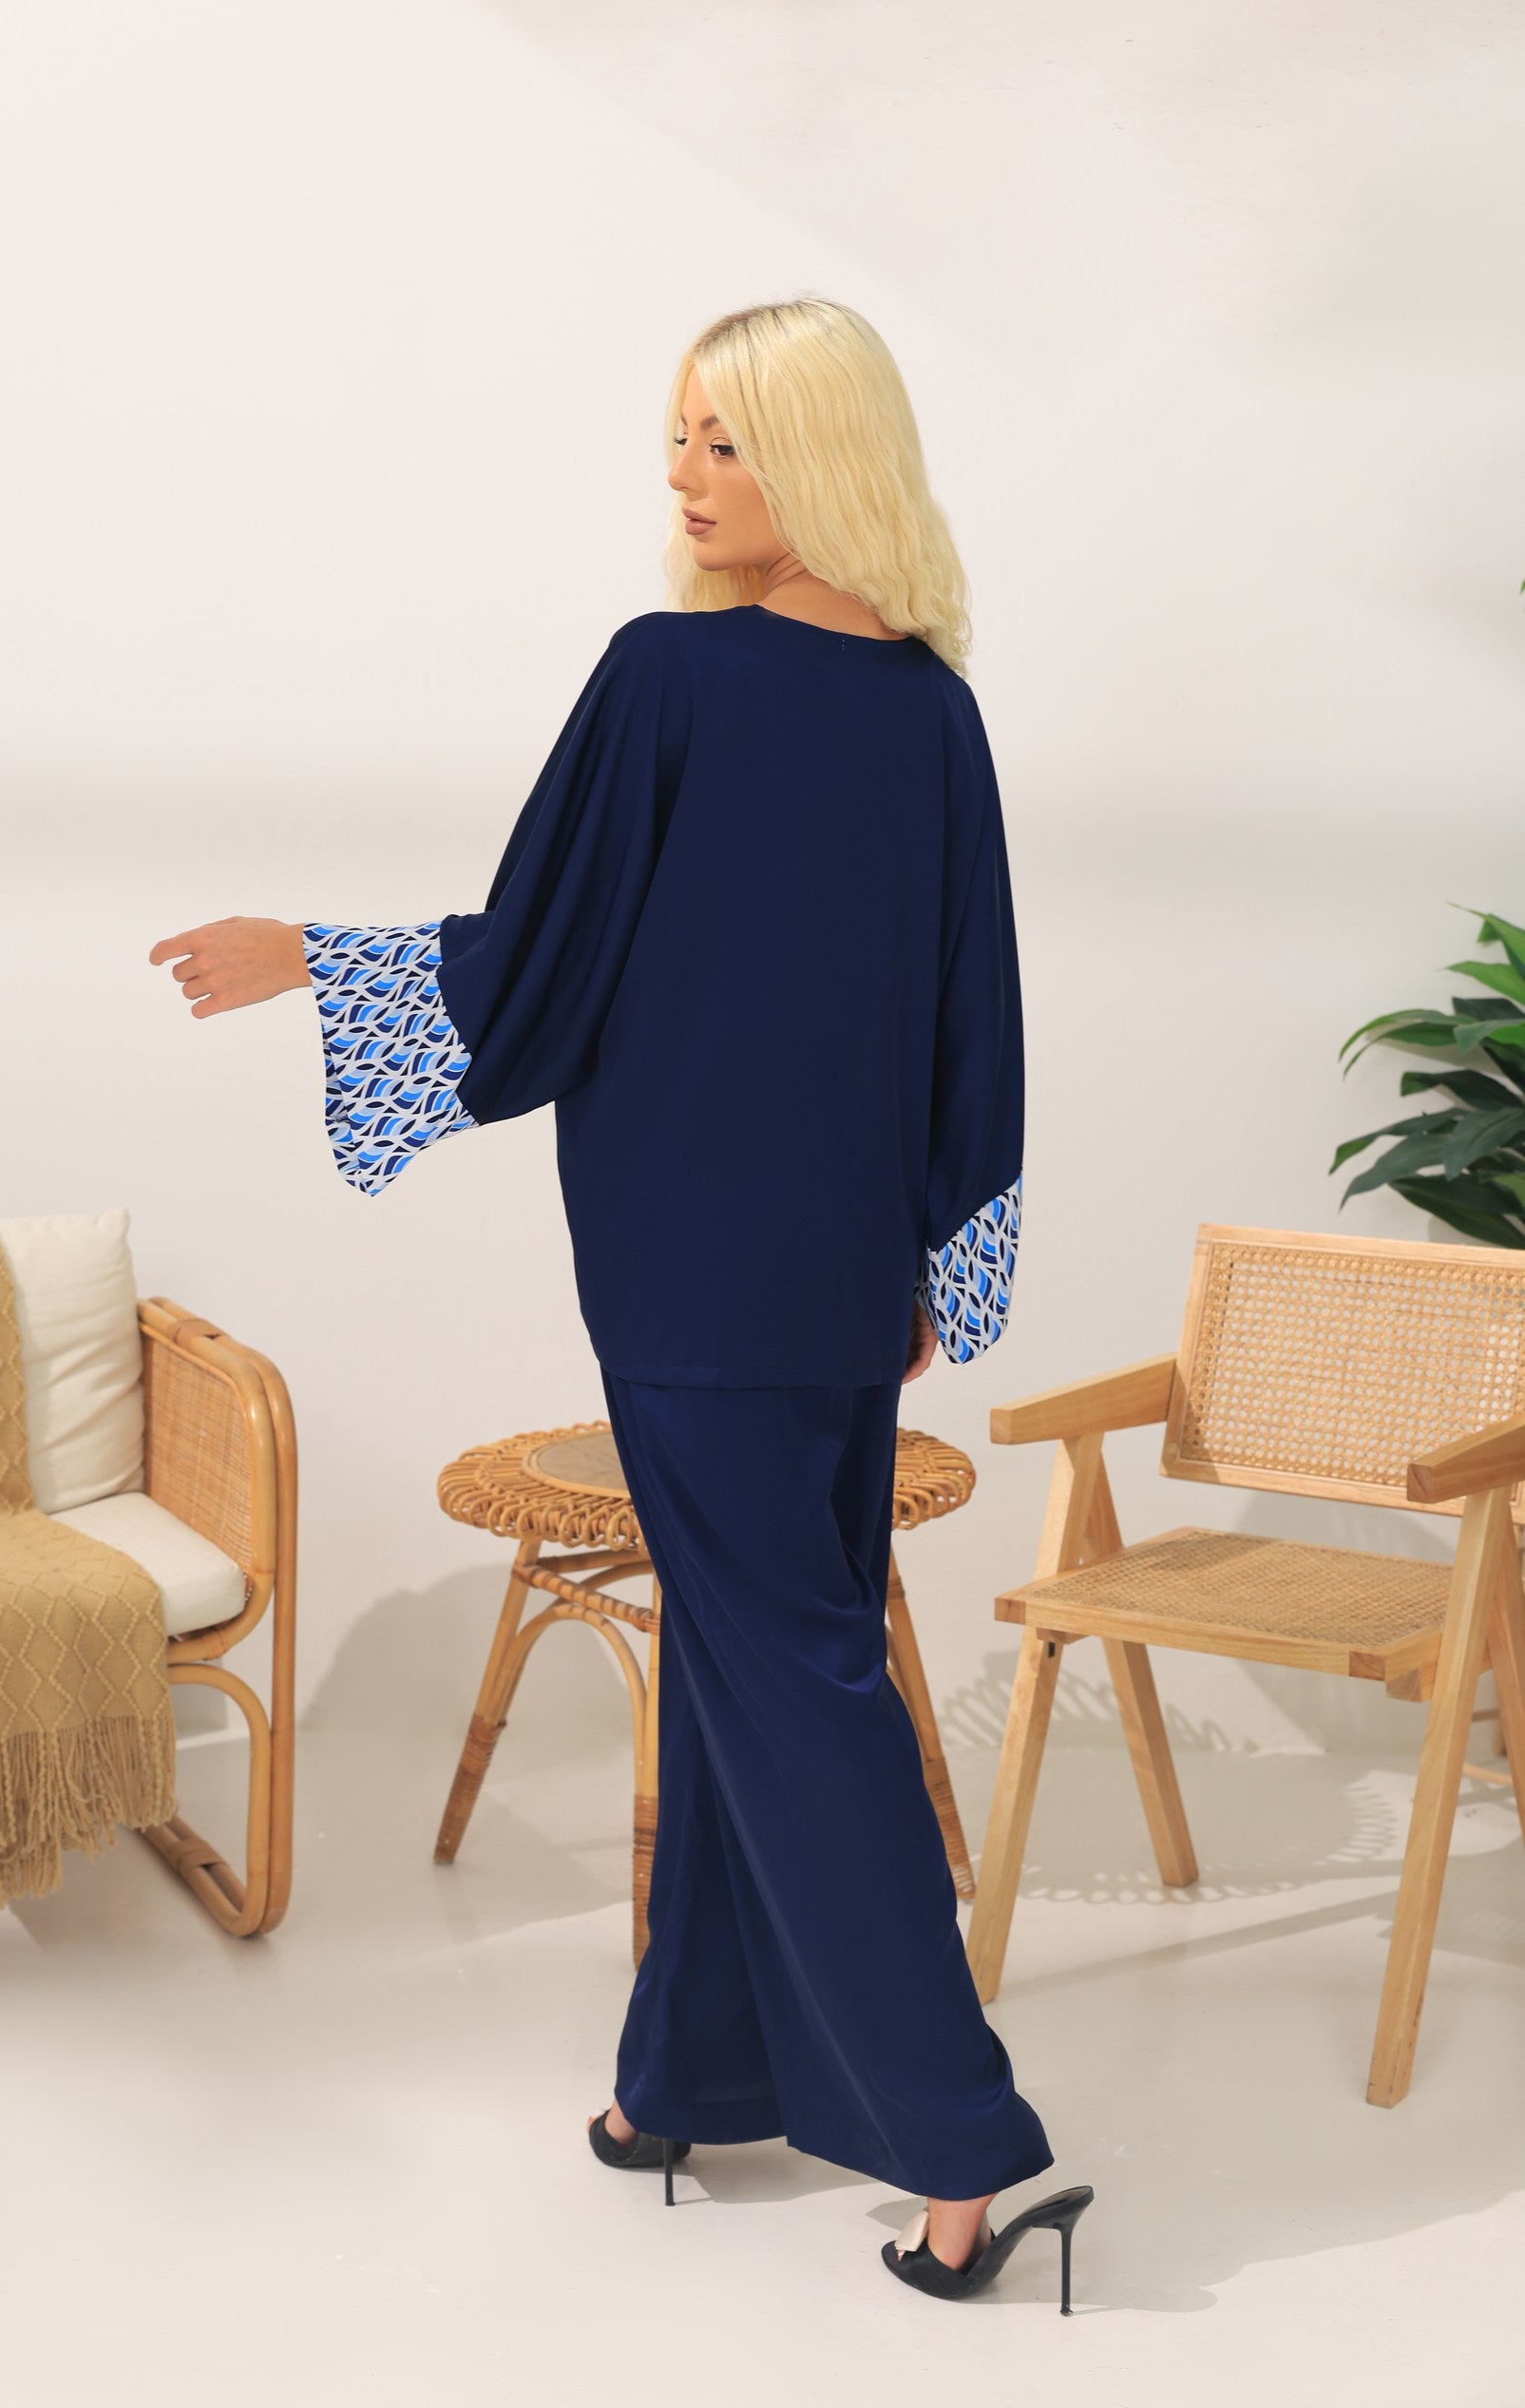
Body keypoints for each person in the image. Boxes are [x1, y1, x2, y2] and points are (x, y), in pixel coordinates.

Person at [149, 296, 1094, 2304]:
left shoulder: (669, 679)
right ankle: (688, 2073)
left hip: (697, 1269)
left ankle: (961, 2149)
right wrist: (941, 1245)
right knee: (771, 1649)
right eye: (675, 435)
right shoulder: (930, 704)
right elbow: (971, 1015)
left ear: (816, 459)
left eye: (723, 440)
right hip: (837, 1275)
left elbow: (541, 956)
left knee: (787, 1674)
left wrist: (312, 953)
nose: (680, 474)